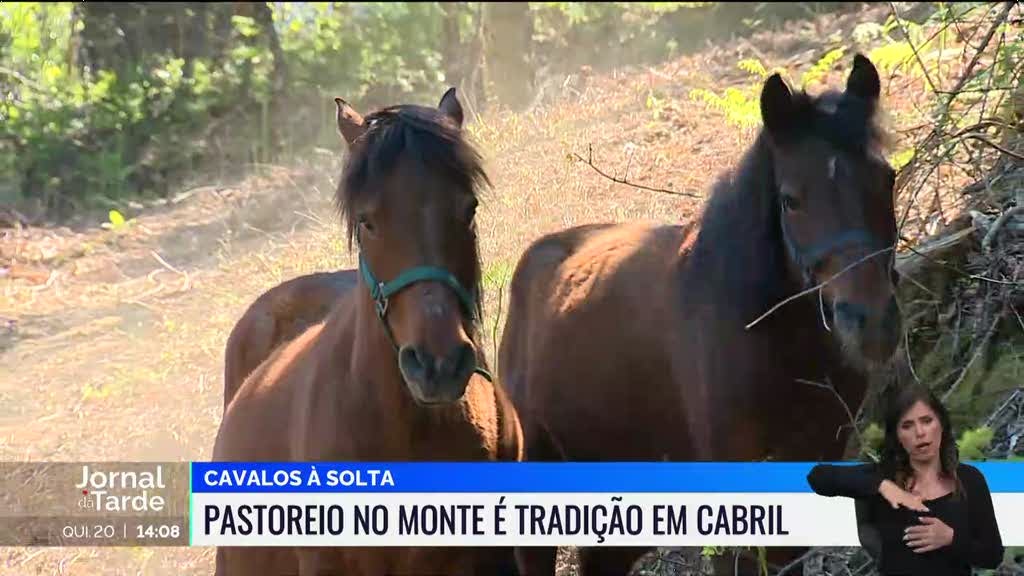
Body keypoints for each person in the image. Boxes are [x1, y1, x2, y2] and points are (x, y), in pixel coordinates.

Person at [806, 383, 1004, 575]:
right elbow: (818, 477)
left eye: (927, 421)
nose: (920, 432)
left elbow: (993, 556)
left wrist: (951, 538)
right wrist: (881, 485)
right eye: (907, 426)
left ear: (941, 425)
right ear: (897, 436)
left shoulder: (970, 480)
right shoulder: (883, 477)